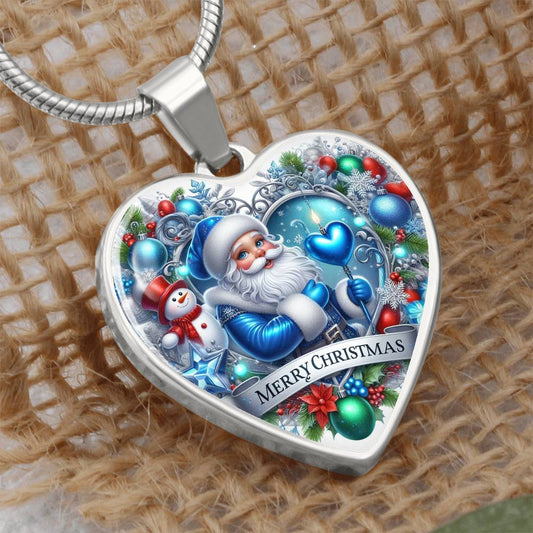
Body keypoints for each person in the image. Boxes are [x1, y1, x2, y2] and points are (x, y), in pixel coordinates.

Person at [187, 214, 376, 362]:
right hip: (315, 373)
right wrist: (307, 305)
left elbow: (331, 310)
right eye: (243, 254)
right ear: (230, 271)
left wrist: (349, 299)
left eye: (259, 242)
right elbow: (265, 345)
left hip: (356, 346)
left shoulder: (294, 274)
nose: (259, 252)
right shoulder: (231, 307)